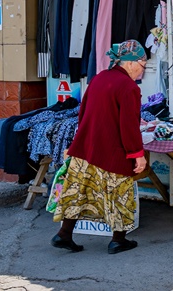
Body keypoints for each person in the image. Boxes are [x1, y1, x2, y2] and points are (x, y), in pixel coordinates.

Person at [52, 40, 148, 254]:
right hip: (112, 152)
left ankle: (64, 234)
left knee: (77, 191)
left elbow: (82, 112)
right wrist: (138, 155)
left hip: (86, 147)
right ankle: (118, 240)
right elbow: (129, 125)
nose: (142, 71)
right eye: (143, 65)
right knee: (120, 194)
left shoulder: (99, 78)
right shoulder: (129, 87)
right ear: (130, 63)